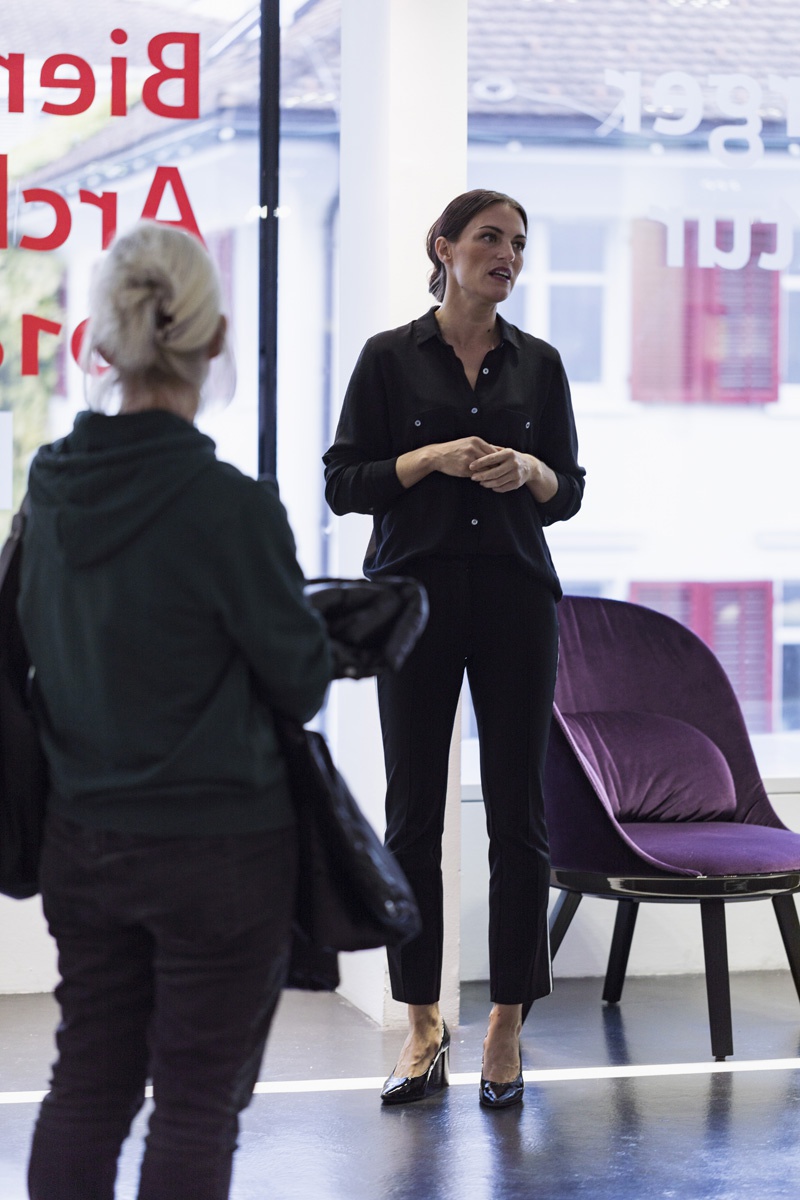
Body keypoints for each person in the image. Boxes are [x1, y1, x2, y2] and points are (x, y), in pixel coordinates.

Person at [18, 221, 331, 1199]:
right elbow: (300, 682)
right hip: (221, 848)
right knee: (195, 1104)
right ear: (216, 335)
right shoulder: (229, 505)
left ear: (102, 343)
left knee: (86, 1086)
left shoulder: (47, 491)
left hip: (81, 839)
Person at [323, 189, 585, 1109]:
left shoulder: (540, 364)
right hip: (415, 603)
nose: (507, 254)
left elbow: (568, 491)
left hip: (516, 600)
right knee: (410, 820)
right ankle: (422, 1023)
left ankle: (506, 1026)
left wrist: (531, 469)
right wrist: (430, 459)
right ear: (444, 248)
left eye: (518, 242)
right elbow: (343, 482)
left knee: (519, 818)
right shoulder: (388, 358)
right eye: (489, 238)